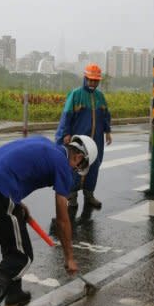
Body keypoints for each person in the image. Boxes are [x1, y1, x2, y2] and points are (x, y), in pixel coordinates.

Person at [0, 134, 97, 306]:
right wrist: (69, 257)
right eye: (79, 167)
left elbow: (14, 165)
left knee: (14, 243)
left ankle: (14, 295)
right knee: (21, 257)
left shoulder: (45, 144)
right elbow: (63, 219)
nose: (75, 170)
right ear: (79, 157)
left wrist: (16, 204)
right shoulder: (62, 165)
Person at [55, 63, 112, 209]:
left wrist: (108, 132)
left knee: (94, 165)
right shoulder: (76, 95)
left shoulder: (100, 97)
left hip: (96, 140)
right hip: (79, 141)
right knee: (75, 166)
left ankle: (89, 195)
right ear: (85, 78)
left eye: (96, 80)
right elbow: (66, 116)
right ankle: (71, 196)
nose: (93, 83)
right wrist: (66, 133)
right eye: (90, 80)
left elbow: (105, 116)